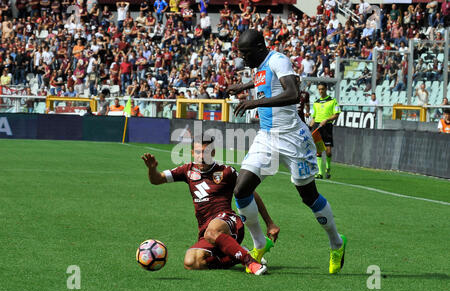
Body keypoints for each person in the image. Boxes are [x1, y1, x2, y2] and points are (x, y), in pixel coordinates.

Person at [226, 30, 346, 275]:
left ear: (259, 47)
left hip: (293, 138)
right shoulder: (260, 65)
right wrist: (244, 85)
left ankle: (336, 242)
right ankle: (259, 244)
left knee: (308, 196)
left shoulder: (278, 60)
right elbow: (264, 82)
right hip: (267, 137)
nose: (242, 57)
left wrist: (254, 102)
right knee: (241, 190)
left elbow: (292, 93)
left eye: (245, 52)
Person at [141, 135, 280, 274]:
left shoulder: (226, 172)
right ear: (192, 153)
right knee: (191, 262)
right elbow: (157, 179)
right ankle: (239, 253)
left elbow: (249, 193)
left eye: (206, 152)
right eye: (197, 152)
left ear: (213, 152)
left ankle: (250, 262)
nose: (201, 156)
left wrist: (269, 223)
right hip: (206, 230)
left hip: (229, 221)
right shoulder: (187, 170)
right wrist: (152, 169)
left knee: (212, 232)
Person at [309, 83, 340, 180]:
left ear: (326, 89)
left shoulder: (332, 101)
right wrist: (309, 128)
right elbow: (313, 118)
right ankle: (320, 173)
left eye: (322, 89)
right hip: (318, 127)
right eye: (319, 89)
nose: (320, 91)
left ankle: (328, 168)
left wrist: (326, 120)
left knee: (328, 151)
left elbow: (336, 114)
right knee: (318, 151)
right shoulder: (316, 102)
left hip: (327, 127)